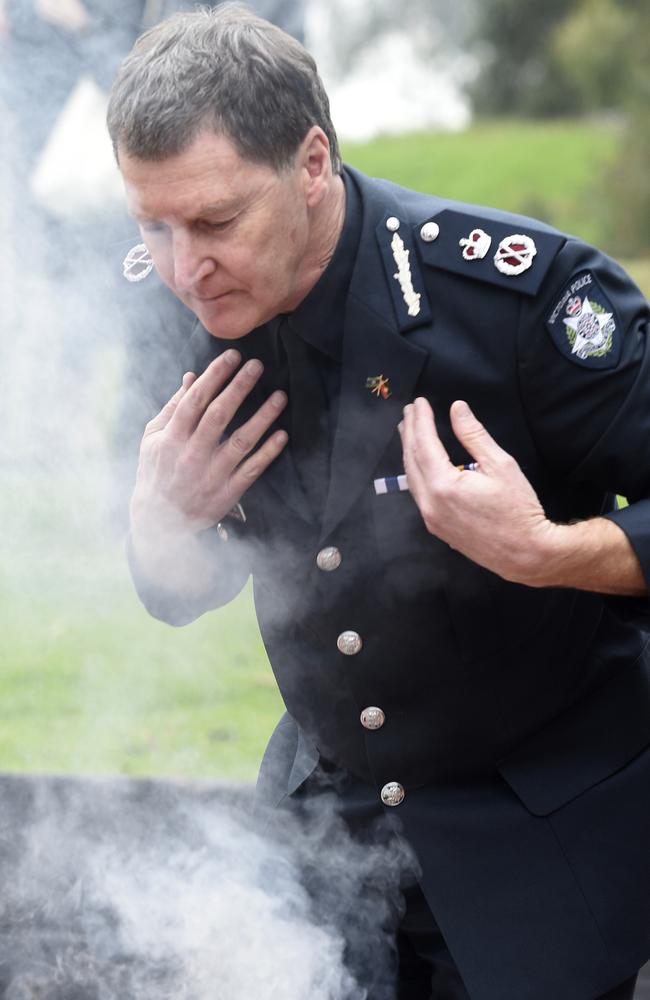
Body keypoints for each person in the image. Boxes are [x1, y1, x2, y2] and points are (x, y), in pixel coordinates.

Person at [106, 5, 650, 998]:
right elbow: (183, 588)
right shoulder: (168, 318)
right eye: (153, 224)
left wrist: (550, 552)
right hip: (320, 838)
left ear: (311, 163)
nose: (184, 268)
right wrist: (161, 529)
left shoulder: (519, 302)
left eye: (217, 222)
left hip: (533, 836)